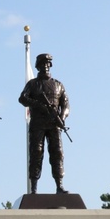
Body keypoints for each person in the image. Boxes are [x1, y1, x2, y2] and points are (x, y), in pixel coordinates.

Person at [18, 53, 70, 193]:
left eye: (47, 64)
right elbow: (22, 98)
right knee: (36, 153)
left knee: (57, 153)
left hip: (54, 124)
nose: (45, 66)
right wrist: (37, 104)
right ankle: (34, 188)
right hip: (38, 124)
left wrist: (62, 118)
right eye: (42, 64)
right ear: (38, 66)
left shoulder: (58, 85)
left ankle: (59, 185)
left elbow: (65, 105)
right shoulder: (32, 84)